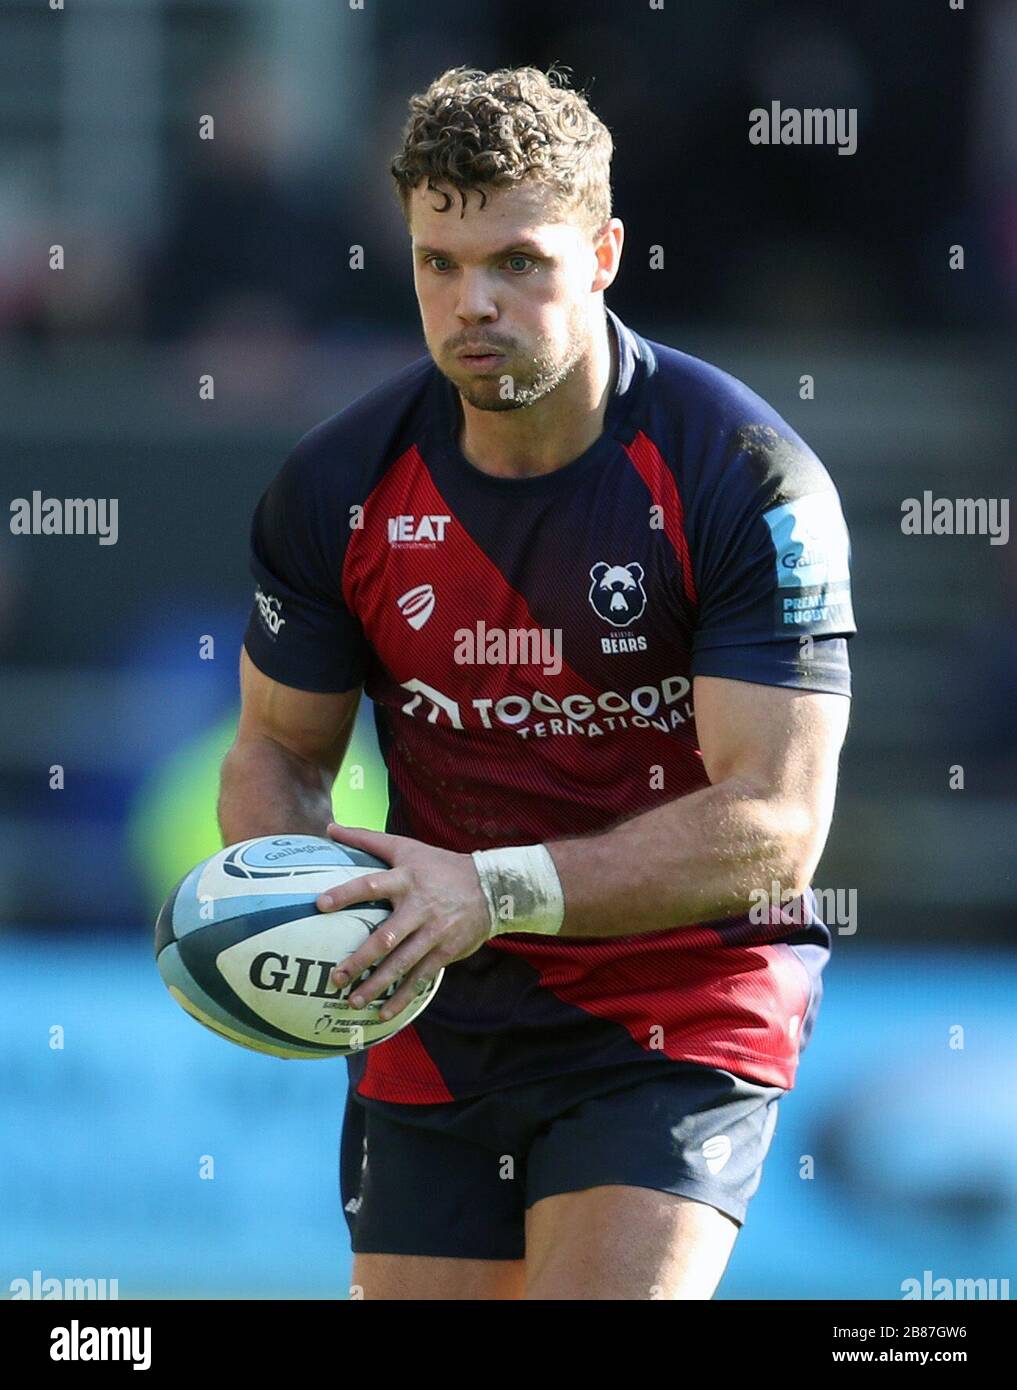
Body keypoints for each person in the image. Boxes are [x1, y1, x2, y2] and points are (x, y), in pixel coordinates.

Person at [218, 64, 856, 1300]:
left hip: (675, 1003)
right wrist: (290, 909)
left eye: (518, 261)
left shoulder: (745, 477)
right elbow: (278, 750)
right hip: (437, 1000)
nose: (473, 304)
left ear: (606, 251)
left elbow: (777, 824)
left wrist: (490, 888)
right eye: (439, 264)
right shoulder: (333, 485)